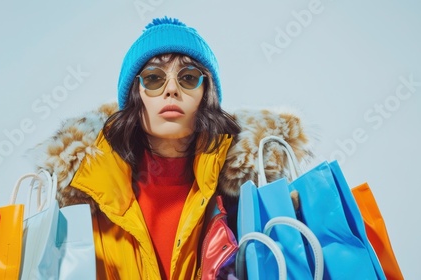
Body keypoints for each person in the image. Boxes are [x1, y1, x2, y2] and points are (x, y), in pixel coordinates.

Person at [29, 16, 313, 280]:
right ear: (134, 94)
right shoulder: (81, 198)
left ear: (206, 95)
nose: (171, 89)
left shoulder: (253, 197)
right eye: (154, 78)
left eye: (188, 77)